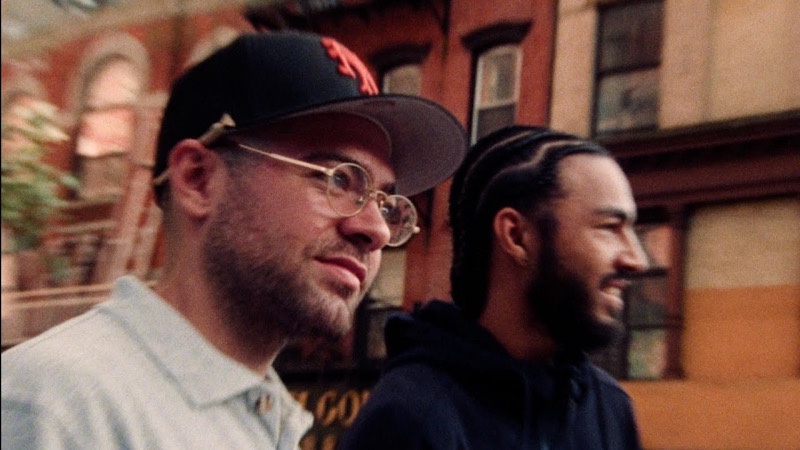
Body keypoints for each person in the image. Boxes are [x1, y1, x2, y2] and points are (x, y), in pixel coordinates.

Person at [1, 31, 466, 449]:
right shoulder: (53, 409)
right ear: (198, 180)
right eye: (338, 179)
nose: (377, 230)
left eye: (386, 202)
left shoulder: (268, 419)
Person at [341, 126, 649, 449]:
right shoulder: (412, 420)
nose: (636, 260)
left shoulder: (609, 409)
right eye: (609, 228)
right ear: (516, 236)